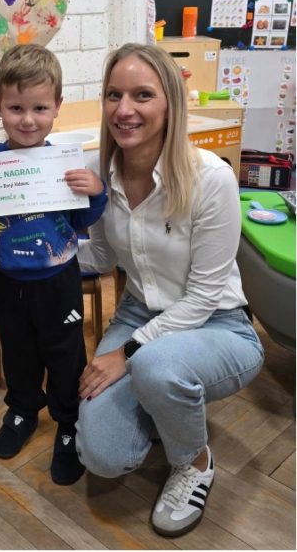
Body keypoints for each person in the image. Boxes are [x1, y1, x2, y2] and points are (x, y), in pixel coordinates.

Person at [74, 43, 265, 537]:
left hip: (218, 324)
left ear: (170, 104)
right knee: (102, 456)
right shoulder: (97, 171)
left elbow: (203, 299)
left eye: (142, 95)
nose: (124, 109)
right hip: (140, 313)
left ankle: (195, 461)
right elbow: (98, 259)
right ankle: (166, 404)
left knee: (154, 366)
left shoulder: (210, 178)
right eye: (113, 94)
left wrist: (127, 355)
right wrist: (22, 244)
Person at [0, 44, 107, 484]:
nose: (27, 119)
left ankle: (69, 422)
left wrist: (94, 191)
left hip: (59, 279)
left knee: (66, 353)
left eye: (39, 108)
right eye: (15, 108)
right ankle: (22, 409)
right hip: (6, 279)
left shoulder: (65, 166)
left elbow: (84, 220)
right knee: (18, 349)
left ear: (57, 109)